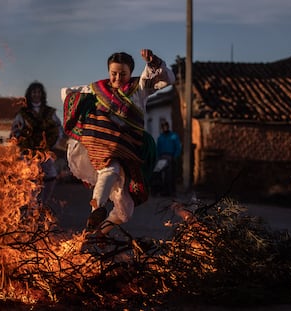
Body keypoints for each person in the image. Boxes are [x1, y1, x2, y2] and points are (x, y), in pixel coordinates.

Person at [61, 49, 175, 237]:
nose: (117, 78)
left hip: (128, 149)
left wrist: (153, 62)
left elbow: (168, 79)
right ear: (108, 72)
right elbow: (69, 94)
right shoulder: (96, 89)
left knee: (125, 209)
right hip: (100, 144)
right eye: (114, 73)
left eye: (123, 74)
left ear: (130, 73)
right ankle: (95, 211)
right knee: (109, 168)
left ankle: (96, 235)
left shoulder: (139, 87)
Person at [11, 81, 63, 210]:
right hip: (29, 152)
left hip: (45, 151)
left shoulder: (49, 112)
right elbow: (15, 131)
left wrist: (52, 143)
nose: (36, 94)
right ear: (29, 94)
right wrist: (22, 144)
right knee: (31, 176)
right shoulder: (23, 113)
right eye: (34, 92)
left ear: (42, 94)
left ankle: (44, 202)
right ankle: (32, 203)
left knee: (50, 175)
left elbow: (58, 129)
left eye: (38, 92)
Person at [156, 120, 182, 196]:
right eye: (163, 127)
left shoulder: (174, 136)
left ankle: (172, 191)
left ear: (168, 127)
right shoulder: (160, 137)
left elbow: (178, 147)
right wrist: (158, 158)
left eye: (166, 126)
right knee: (161, 175)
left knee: (170, 175)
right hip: (162, 158)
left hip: (171, 157)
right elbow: (158, 148)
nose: (165, 128)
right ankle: (164, 191)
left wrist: (175, 156)